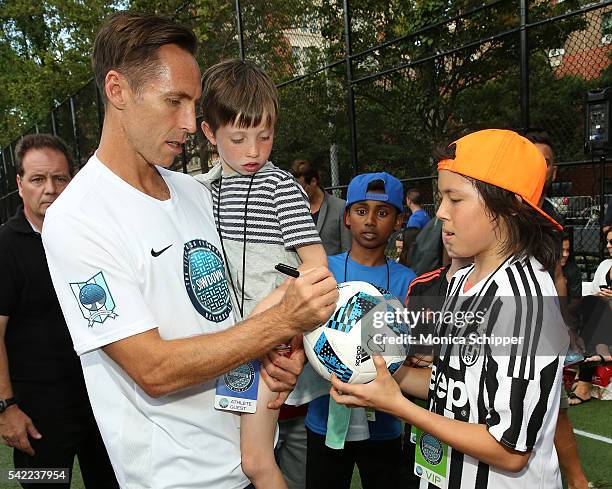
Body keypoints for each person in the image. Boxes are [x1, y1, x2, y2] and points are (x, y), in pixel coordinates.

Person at [41, 13, 338, 489]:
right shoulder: (78, 218)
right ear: (117, 90)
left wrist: (282, 353)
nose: (187, 122)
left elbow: (222, 321)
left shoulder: (196, 193)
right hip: (177, 479)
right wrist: (282, 322)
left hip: (245, 458)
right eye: (173, 101)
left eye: (193, 103)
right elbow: (153, 369)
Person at [330, 129, 569, 489]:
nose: (440, 212)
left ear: (509, 206)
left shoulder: (525, 301)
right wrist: (377, 377)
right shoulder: (463, 280)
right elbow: (453, 386)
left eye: (454, 198)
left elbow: (509, 448)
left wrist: (399, 406)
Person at [196, 59, 328, 489]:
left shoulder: (280, 187)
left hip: (267, 341)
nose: (253, 151)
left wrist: (269, 321)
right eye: (238, 138)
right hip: (222, 343)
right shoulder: (201, 189)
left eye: (265, 136)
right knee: (225, 459)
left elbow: (316, 268)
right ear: (209, 133)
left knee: (256, 462)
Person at [0, 134, 118, 489]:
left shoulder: (91, 237)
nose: (50, 188)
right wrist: (5, 409)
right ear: (20, 185)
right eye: (38, 179)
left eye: (60, 178)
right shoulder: (5, 246)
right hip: (36, 415)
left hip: (101, 402)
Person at [305, 172, 416, 489]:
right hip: (325, 418)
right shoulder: (322, 270)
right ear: (346, 217)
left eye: (382, 213)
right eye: (361, 210)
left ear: (398, 221)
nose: (370, 221)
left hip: (384, 424)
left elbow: (412, 355)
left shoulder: (408, 281)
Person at [570, 227, 612, 406]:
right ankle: (598, 356)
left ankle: (584, 384)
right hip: (602, 319)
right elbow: (594, 292)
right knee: (588, 304)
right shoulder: (604, 265)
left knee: (593, 309)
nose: (609, 246)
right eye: (608, 242)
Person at [290, 159, 351, 256]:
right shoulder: (294, 210)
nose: (297, 194)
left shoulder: (340, 207)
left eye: (301, 189)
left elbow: (347, 250)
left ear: (314, 181)